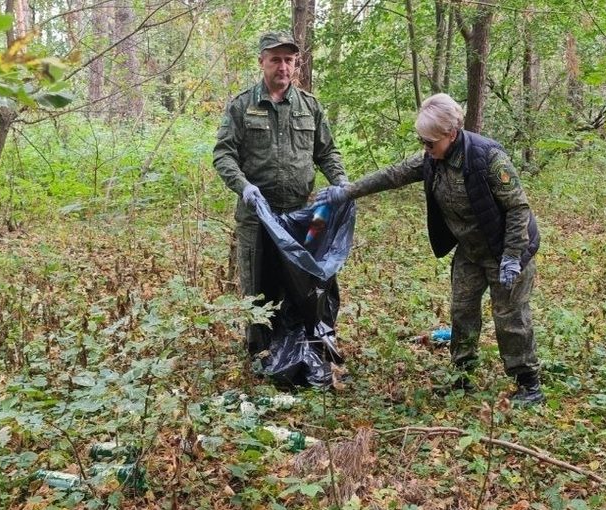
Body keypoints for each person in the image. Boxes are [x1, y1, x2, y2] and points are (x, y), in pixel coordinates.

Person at [314, 93, 544, 405]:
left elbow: (518, 208)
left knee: (510, 316)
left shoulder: (487, 158)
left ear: (451, 133)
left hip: (507, 249)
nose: (425, 148)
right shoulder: (431, 158)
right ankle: (461, 376)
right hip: (471, 250)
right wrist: (347, 192)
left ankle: (528, 384)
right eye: (421, 141)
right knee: (462, 311)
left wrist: (512, 257)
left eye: (430, 142)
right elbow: (393, 174)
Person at [213, 31, 348, 355]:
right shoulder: (242, 106)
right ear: (262, 62)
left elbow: (327, 152)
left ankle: (299, 352)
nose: (283, 67)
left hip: (299, 216)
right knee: (258, 289)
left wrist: (341, 182)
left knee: (301, 285)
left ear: (296, 64)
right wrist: (244, 187)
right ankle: (260, 355)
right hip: (256, 216)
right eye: (275, 60)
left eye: (289, 60)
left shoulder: (309, 107)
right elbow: (224, 154)